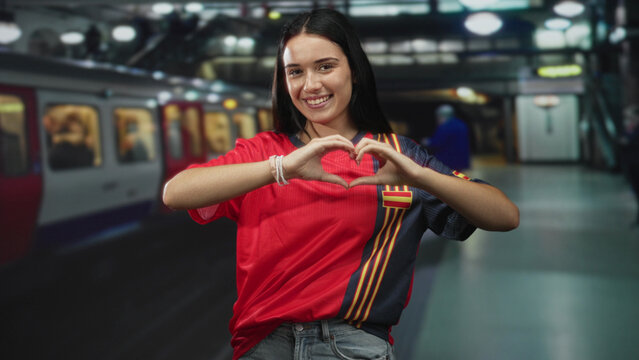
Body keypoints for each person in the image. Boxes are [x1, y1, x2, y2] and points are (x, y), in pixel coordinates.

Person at [163, 8, 519, 360]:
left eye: (325, 66)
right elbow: (176, 193)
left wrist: (419, 176)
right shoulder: (265, 154)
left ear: (355, 71)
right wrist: (282, 168)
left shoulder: (395, 156)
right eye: (295, 72)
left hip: (351, 345)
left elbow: (504, 215)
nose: (310, 85)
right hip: (263, 346)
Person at [422, 104, 471, 170]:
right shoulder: (461, 124)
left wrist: (427, 142)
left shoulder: (445, 127)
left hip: (448, 161)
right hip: (461, 160)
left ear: (441, 116)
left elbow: (437, 143)